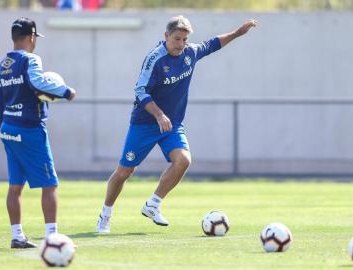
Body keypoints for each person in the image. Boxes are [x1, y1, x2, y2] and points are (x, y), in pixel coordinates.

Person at [96, 15, 257, 232]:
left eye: (184, 39)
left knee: (183, 160)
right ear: (166, 36)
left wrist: (238, 33)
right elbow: (140, 91)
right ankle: (105, 214)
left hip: (172, 124)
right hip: (145, 124)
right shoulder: (155, 59)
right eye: (177, 39)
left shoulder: (190, 52)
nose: (181, 44)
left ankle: (153, 204)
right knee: (125, 172)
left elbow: (213, 44)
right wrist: (159, 115)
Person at [0, 17, 76, 248]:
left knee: (15, 186)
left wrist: (6, 127)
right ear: (31, 37)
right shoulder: (31, 59)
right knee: (50, 184)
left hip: (8, 128)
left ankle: (17, 236)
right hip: (30, 129)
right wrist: (65, 91)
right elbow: (37, 82)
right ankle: (53, 238)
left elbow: (0, 103)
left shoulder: (2, 65)